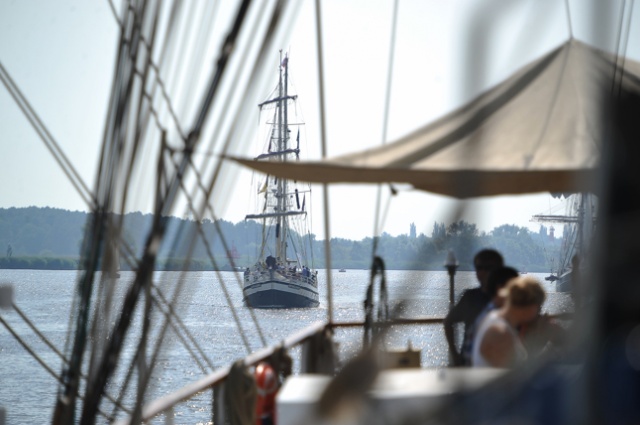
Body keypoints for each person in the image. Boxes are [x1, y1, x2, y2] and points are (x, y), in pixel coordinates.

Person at [443, 248, 504, 366]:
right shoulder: (470, 297)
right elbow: (448, 322)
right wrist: (455, 354)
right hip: (470, 362)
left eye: (488, 268)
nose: (483, 272)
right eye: (479, 268)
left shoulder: (509, 299)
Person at [472, 275, 546, 367]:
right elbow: (515, 377)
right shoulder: (500, 333)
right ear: (531, 306)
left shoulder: (493, 317)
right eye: (539, 307)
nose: (539, 312)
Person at [466, 266, 520, 360]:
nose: (520, 294)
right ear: (501, 289)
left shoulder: (487, 315)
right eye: (516, 288)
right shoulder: (497, 324)